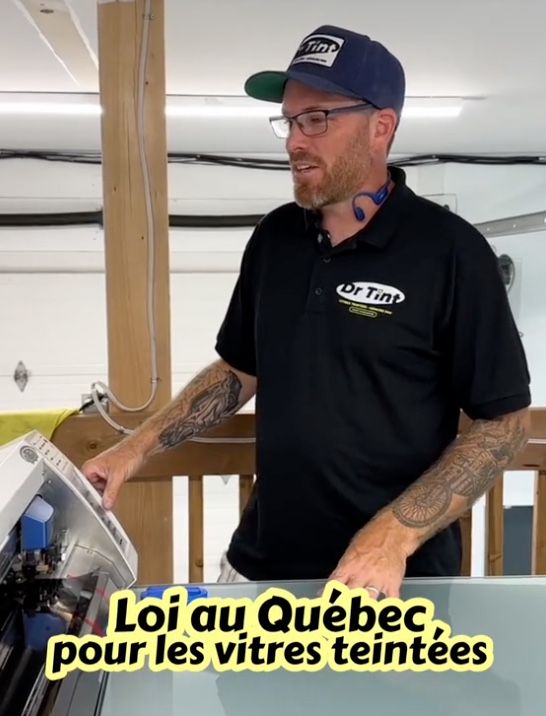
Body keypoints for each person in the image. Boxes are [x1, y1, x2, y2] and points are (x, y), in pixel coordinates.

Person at [81, 25, 531, 599]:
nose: (295, 141)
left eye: (317, 119)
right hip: (263, 566)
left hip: (390, 583)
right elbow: (239, 370)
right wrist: (134, 448)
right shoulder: (275, 238)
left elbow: (504, 423)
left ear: (381, 127)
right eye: (290, 121)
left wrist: (392, 536)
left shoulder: (452, 252)